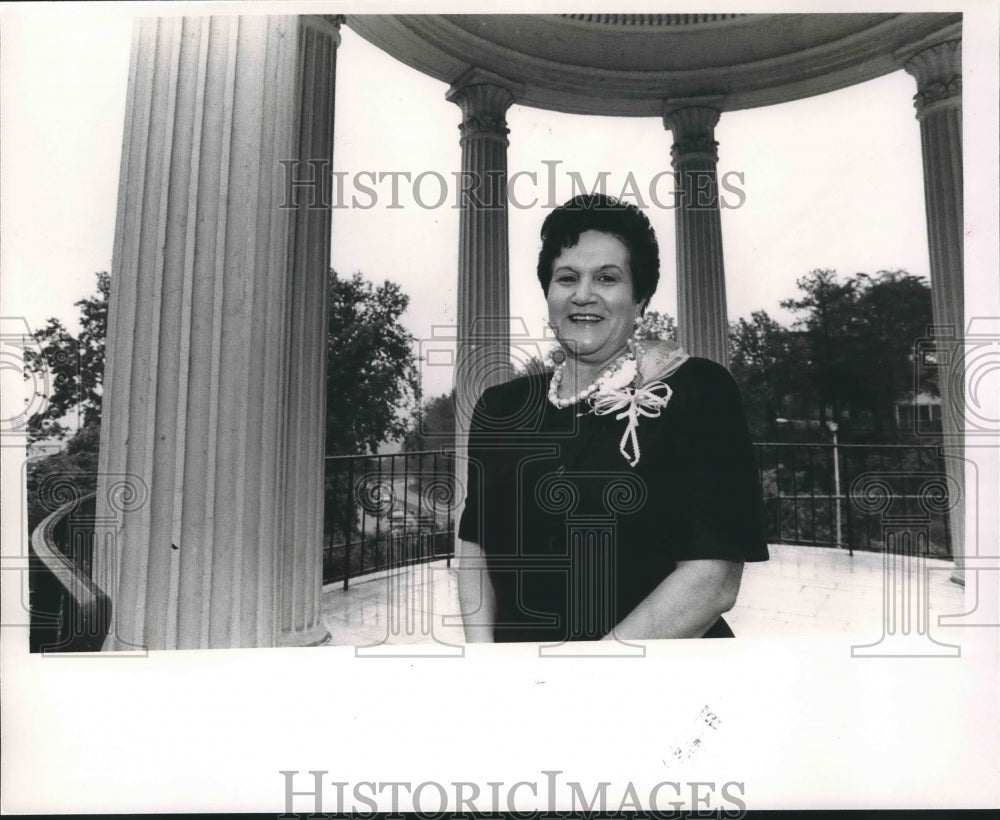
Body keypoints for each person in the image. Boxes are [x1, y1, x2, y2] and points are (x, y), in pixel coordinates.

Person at [457, 194, 768, 643]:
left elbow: (714, 578)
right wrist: (486, 665)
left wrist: (590, 679)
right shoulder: (500, 407)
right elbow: (475, 544)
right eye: (567, 278)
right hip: (522, 683)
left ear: (640, 298)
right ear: (548, 293)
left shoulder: (697, 391)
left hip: (651, 680)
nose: (583, 295)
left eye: (607, 278)